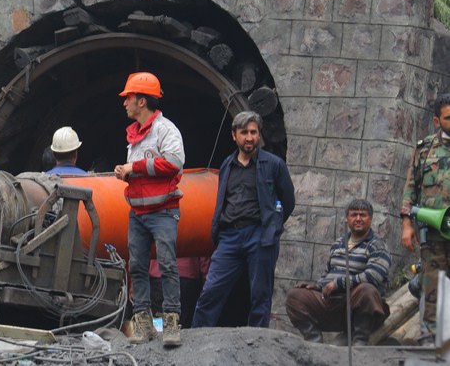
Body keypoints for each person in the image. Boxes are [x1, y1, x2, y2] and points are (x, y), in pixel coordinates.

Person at [192, 111, 295, 328]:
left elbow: (288, 200)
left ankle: (257, 341)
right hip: (229, 236)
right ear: (234, 136)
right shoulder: (227, 165)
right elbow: (223, 200)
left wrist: (273, 226)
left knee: (260, 294)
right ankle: (197, 338)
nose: (249, 137)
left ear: (259, 135)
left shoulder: (273, 164)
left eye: (253, 132)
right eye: (244, 132)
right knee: (211, 291)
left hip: (259, 234)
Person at [114, 72, 185, 347]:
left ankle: (172, 325)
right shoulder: (134, 136)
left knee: (167, 265)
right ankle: (143, 326)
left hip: (163, 211)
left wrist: (135, 167)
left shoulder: (166, 130)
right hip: (139, 213)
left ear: (142, 101)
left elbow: (174, 163)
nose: (125, 103)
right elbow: (148, 168)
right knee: (138, 267)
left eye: (128, 98)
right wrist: (126, 173)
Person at [285, 199, 391, 345]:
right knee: (294, 296)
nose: (358, 219)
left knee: (367, 290)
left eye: (363, 215)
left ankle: (359, 341)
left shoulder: (378, 246)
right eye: (354, 215)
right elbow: (327, 273)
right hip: (333, 305)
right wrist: (317, 286)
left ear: (370, 219)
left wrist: (338, 284)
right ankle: (314, 342)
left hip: (360, 307)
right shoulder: (338, 244)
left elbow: (373, 277)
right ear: (347, 219)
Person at [401, 92, 450, 344]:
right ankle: (430, 337)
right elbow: (411, 188)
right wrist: (407, 225)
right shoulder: (424, 149)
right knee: (432, 284)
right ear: (436, 120)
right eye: (449, 118)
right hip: (432, 232)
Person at [149, 257, 211, 329]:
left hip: (158, 275)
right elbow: (204, 256)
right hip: (187, 275)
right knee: (185, 325)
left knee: (159, 323)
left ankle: (160, 334)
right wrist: (206, 281)